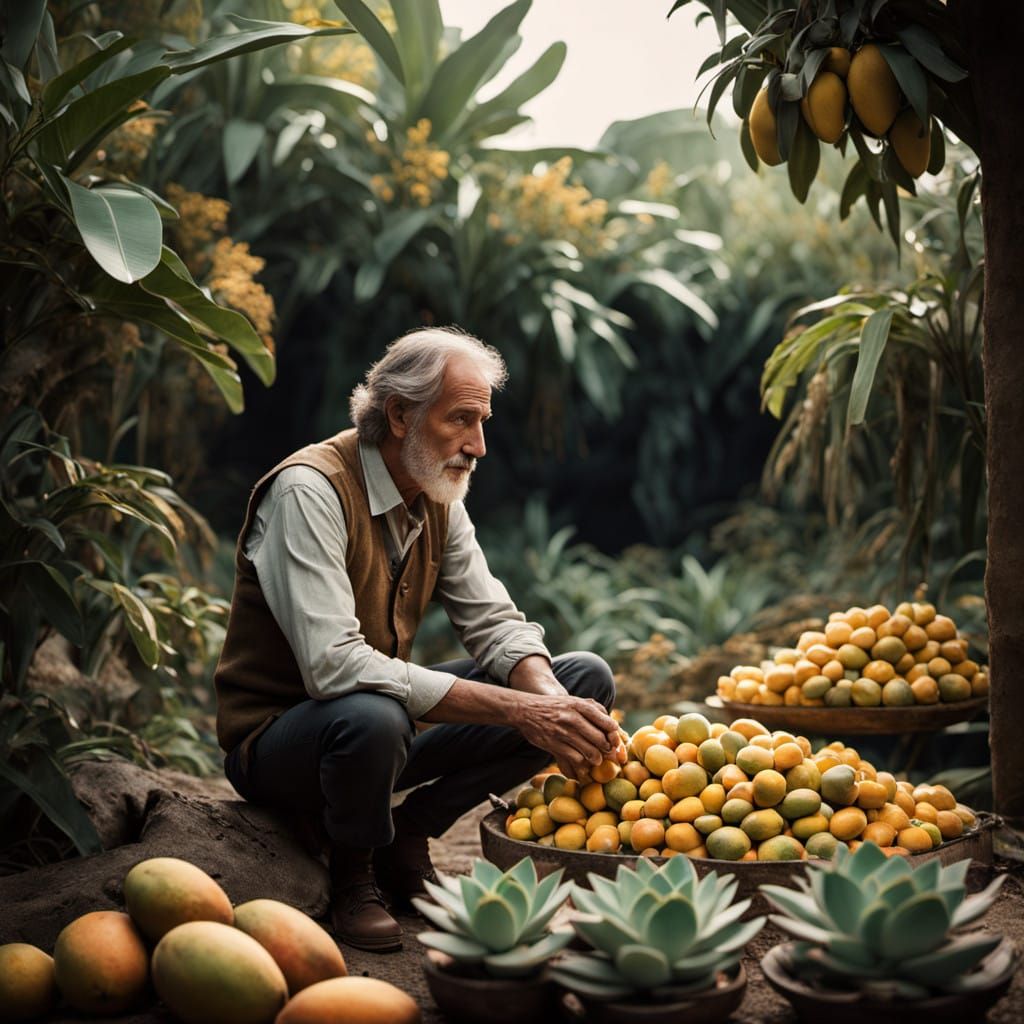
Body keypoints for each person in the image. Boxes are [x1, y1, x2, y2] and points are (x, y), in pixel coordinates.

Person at [214, 326, 618, 952]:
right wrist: (521, 710)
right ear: (400, 414)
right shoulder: (309, 490)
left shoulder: (435, 494)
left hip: (376, 731)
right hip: (280, 743)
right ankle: (353, 875)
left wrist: (550, 702)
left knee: (583, 679)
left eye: (482, 422)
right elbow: (333, 667)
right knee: (373, 716)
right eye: (461, 420)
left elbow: (494, 621)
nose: (478, 445)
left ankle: (409, 834)